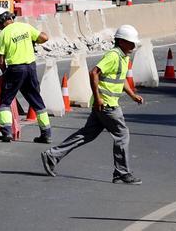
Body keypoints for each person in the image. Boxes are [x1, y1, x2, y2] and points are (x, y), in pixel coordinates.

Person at [41, 25, 144, 184]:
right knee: (122, 134)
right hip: (107, 105)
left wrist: (132, 95)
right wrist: (98, 98)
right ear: (122, 42)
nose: (133, 46)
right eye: (131, 42)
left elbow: (120, 77)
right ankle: (122, 173)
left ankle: (52, 155)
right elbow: (94, 72)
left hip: (104, 104)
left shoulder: (123, 57)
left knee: (87, 134)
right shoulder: (113, 56)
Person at [0, 7, 53, 143]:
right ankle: (46, 134)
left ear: (0, 22)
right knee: (36, 100)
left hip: (15, 69)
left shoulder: (3, 34)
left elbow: (0, 59)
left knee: (5, 102)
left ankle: (6, 132)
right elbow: (44, 37)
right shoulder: (25, 27)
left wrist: (5, 73)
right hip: (30, 67)